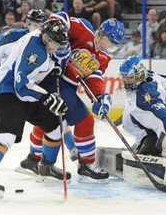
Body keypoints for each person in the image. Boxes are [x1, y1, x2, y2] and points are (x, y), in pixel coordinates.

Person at [0, 19, 70, 199]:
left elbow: (37, 72)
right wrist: (47, 97)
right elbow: (21, 87)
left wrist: (53, 69)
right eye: (53, 43)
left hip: (27, 91)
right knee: (7, 134)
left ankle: (45, 166)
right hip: (7, 90)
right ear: (45, 36)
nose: (55, 47)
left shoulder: (47, 43)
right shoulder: (34, 49)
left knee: (57, 125)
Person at [19, 11, 125, 184]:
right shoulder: (84, 31)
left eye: (114, 46)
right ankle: (86, 165)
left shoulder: (103, 57)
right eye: (109, 42)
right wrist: (60, 38)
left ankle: (32, 158)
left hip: (65, 86)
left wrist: (100, 97)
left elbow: (94, 76)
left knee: (51, 122)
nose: (109, 47)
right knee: (85, 121)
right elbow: (61, 18)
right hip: (52, 79)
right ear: (101, 33)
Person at [117, 56, 166, 189]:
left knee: (147, 155)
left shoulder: (144, 98)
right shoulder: (151, 76)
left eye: (129, 77)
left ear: (139, 74)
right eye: (124, 77)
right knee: (146, 144)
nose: (126, 81)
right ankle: (148, 146)